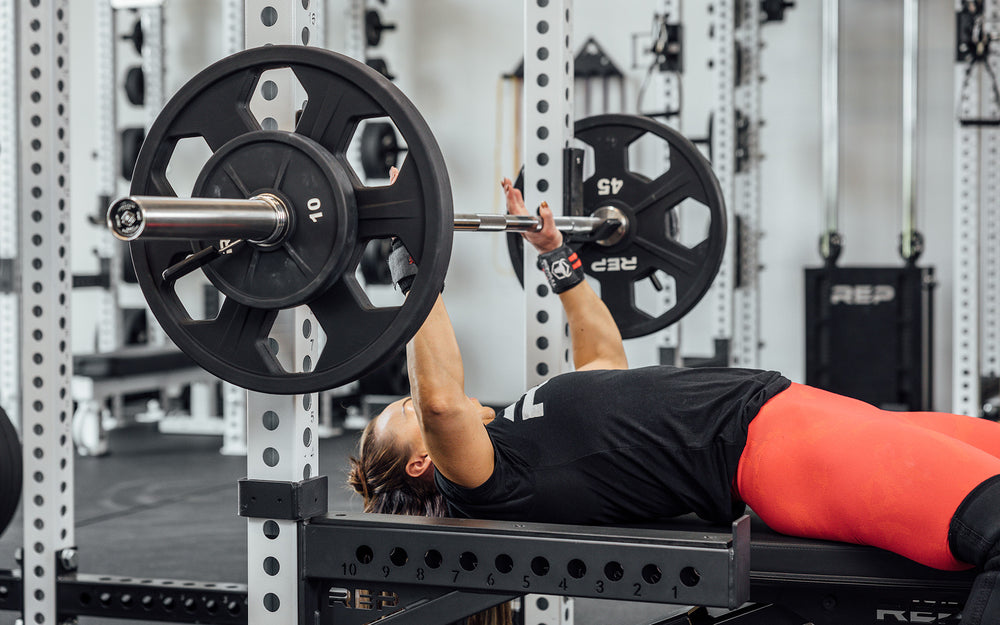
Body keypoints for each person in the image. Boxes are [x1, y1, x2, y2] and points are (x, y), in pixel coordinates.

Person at [348, 176, 1000, 625]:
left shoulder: (523, 429)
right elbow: (439, 402)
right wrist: (415, 263)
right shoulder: (478, 482)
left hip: (798, 413)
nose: (416, 403)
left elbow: (603, 356)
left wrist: (556, 258)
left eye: (402, 403)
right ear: (419, 463)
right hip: (768, 449)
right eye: (399, 414)